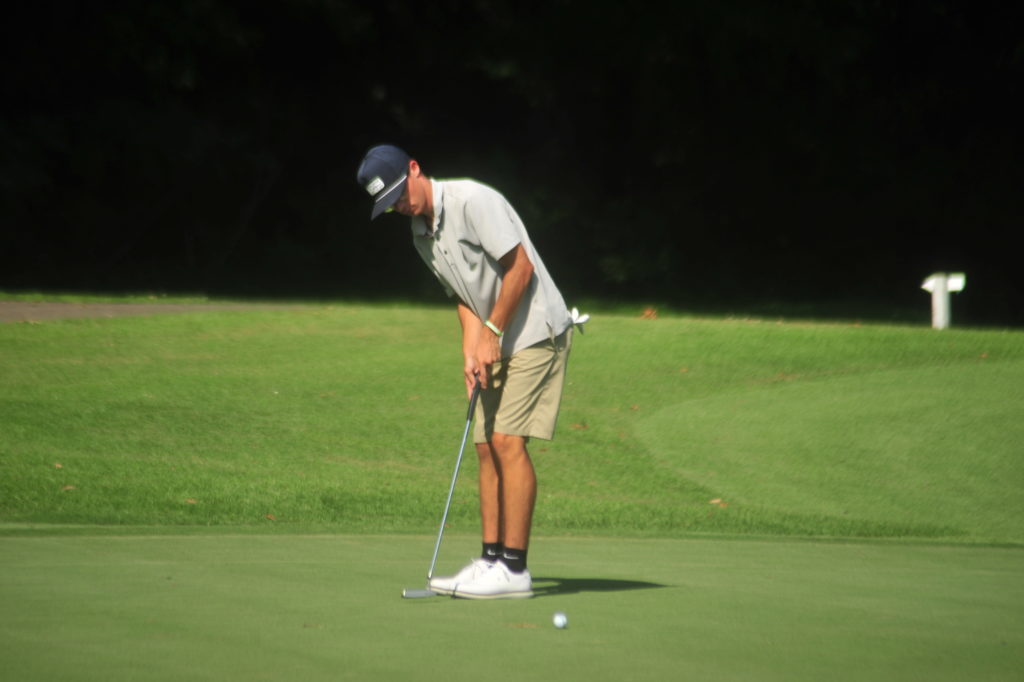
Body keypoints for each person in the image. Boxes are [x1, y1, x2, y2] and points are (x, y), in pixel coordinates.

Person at [356, 144, 581, 599]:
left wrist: (492, 331)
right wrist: (470, 348)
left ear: (415, 169)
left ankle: (515, 570)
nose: (402, 206)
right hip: (494, 338)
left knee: (507, 441)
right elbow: (462, 295)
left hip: (536, 330)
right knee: (484, 446)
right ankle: (490, 560)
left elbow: (520, 268)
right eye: (391, 204)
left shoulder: (474, 201)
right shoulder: (420, 235)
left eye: (401, 193)